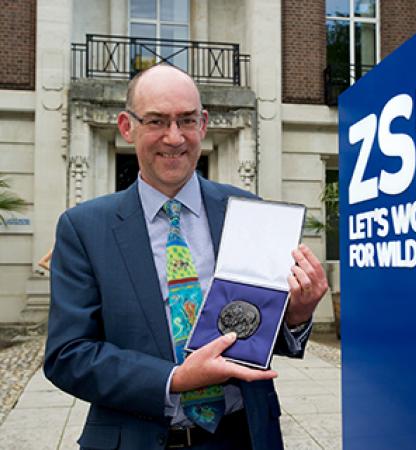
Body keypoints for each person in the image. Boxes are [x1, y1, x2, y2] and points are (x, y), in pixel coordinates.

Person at [44, 65, 329, 450]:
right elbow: (68, 355)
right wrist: (174, 378)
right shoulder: (84, 228)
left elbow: (257, 332)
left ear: (204, 124)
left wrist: (297, 313)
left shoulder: (247, 212)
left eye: (186, 120)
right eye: (157, 121)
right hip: (136, 439)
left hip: (243, 435)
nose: (174, 137)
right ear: (127, 126)